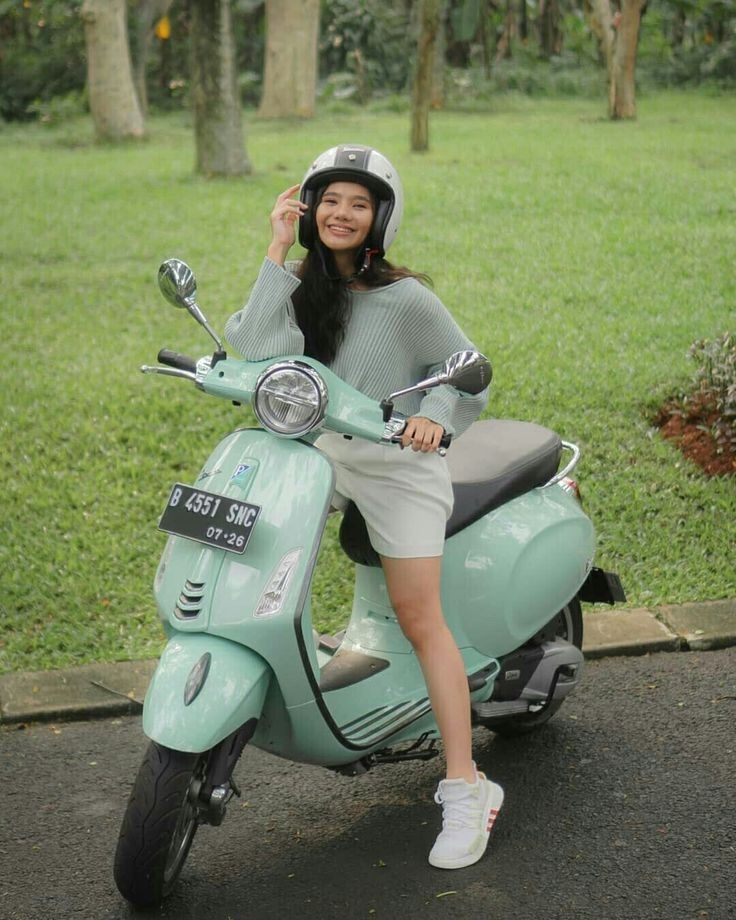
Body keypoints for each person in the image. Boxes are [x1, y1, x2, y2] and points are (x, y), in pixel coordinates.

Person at [225, 144, 503, 869]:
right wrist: (276, 248)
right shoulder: (297, 282)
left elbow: (467, 374)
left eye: (357, 202)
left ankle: (467, 786)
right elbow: (253, 348)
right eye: (328, 200)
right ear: (309, 208)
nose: (340, 214)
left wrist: (436, 416)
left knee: (420, 618)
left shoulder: (406, 298)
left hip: (393, 462)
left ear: (381, 216)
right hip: (313, 448)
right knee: (250, 543)